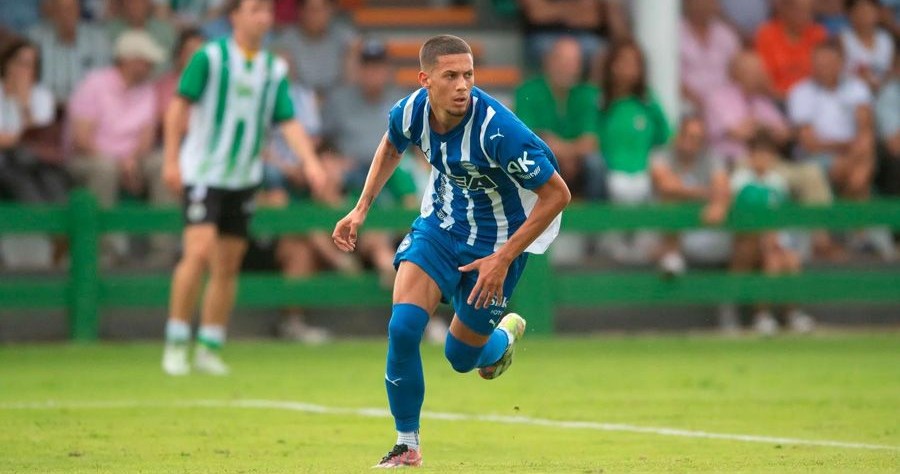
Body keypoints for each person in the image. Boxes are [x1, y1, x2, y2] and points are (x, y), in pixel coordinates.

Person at [332, 35, 570, 468]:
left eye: (469, 75)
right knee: (403, 327)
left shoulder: (498, 130)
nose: (463, 85)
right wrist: (360, 209)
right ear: (425, 80)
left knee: (461, 358)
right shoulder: (410, 112)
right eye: (451, 76)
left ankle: (499, 341)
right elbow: (391, 144)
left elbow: (558, 194)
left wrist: (503, 258)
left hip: (500, 243)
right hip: (440, 228)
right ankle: (407, 444)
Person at [160, 0, 328, 376]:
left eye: (267, 11)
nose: (263, 17)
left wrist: (311, 163)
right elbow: (178, 107)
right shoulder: (210, 57)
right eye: (255, 9)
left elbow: (288, 122)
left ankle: (209, 345)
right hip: (204, 172)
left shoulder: (273, 68)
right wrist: (170, 159)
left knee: (228, 264)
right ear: (235, 16)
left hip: (243, 178)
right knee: (198, 252)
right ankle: (175, 340)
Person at [729, 130, 815, 335]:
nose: (763, 159)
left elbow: (782, 219)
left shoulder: (777, 183)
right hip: (746, 243)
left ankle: (792, 313)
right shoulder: (740, 181)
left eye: (767, 154)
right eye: (758, 154)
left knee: (790, 260)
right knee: (771, 259)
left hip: (775, 241)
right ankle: (762, 314)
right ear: (750, 156)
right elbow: (741, 216)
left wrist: (777, 240)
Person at [515, 36, 602, 199]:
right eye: (565, 62)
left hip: (578, 161)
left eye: (575, 63)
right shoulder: (527, 91)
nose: (571, 69)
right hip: (544, 158)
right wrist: (567, 151)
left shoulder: (588, 93)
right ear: (549, 61)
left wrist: (565, 152)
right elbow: (530, 138)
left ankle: (597, 219)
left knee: (595, 163)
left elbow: (591, 140)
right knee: (529, 160)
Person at [650, 117, 731, 277]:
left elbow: (723, 188)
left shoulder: (711, 158)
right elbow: (667, 187)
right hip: (660, 233)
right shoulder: (661, 154)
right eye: (687, 135)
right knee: (671, 201)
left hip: (702, 228)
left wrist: (719, 203)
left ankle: (730, 298)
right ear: (678, 135)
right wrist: (707, 194)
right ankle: (672, 255)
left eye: (697, 138)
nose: (691, 142)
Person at [27, 0, 112, 104]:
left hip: (88, 109)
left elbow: (105, 82)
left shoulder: (98, 39)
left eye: (71, 9)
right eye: (61, 9)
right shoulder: (35, 38)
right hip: (47, 108)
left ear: (79, 11)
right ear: (52, 12)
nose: (66, 14)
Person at [755, 0, 828, 100]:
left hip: (814, 99)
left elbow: (826, 73)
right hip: (777, 100)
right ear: (784, 10)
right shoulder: (766, 34)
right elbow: (762, 76)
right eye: (800, 11)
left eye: (809, 12)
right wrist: (786, 97)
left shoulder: (818, 33)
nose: (806, 17)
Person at [680, 0, 742, 114]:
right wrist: (701, 101)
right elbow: (671, 76)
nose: (706, 4)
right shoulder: (674, 32)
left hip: (727, 103)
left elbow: (738, 73)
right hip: (688, 103)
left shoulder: (726, 34)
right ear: (688, 2)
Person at [840, 0, 895, 92]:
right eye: (859, 11)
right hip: (853, 90)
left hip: (883, 89)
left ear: (877, 14)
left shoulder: (886, 39)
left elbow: (891, 71)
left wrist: (880, 83)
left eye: (868, 11)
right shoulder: (843, 39)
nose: (864, 16)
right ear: (850, 14)